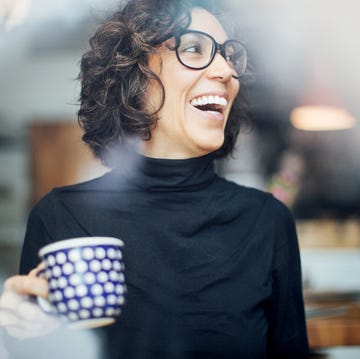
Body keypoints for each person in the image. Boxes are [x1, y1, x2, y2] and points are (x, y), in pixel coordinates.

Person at [0, 0, 310, 357]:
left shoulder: (266, 222)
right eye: (194, 48)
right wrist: (22, 333)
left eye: (229, 55)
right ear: (134, 74)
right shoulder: (61, 217)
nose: (226, 71)